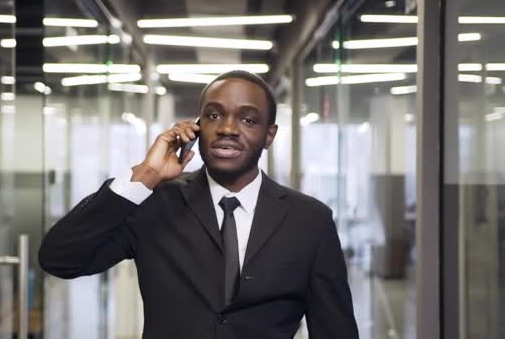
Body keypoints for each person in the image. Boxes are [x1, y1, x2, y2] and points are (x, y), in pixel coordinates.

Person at [38, 71, 359, 339]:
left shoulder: (310, 221)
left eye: (248, 119)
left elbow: (335, 330)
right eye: (214, 115)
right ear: (197, 127)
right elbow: (60, 259)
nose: (228, 129)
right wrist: (145, 176)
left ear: (268, 135)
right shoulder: (156, 203)